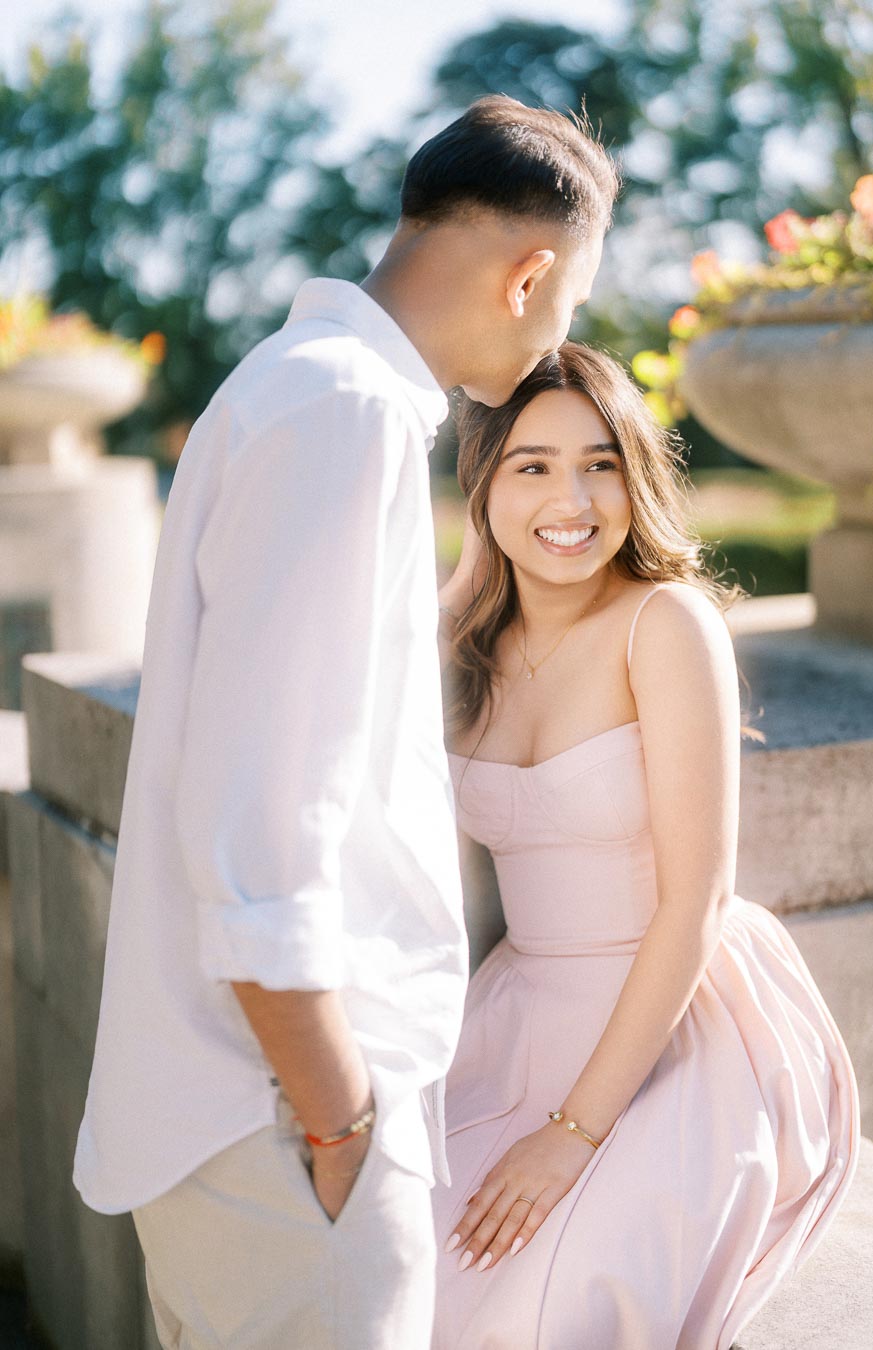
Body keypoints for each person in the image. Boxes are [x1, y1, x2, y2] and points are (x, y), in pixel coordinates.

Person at [72, 98, 618, 1350]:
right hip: (282, 1123)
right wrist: (341, 1128)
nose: (558, 338)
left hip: (250, 1120)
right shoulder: (345, 412)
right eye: (571, 303)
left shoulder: (293, 387)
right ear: (531, 272)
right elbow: (264, 832)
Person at [432, 342, 858, 1349]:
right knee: (401, 1266)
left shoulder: (665, 624)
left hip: (685, 1014)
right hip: (516, 1014)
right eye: (531, 465)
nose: (570, 498)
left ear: (637, 477)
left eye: (602, 462)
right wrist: (464, 576)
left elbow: (696, 903)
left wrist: (569, 1139)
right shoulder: (464, 647)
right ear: (481, 479)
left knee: (558, 1297)